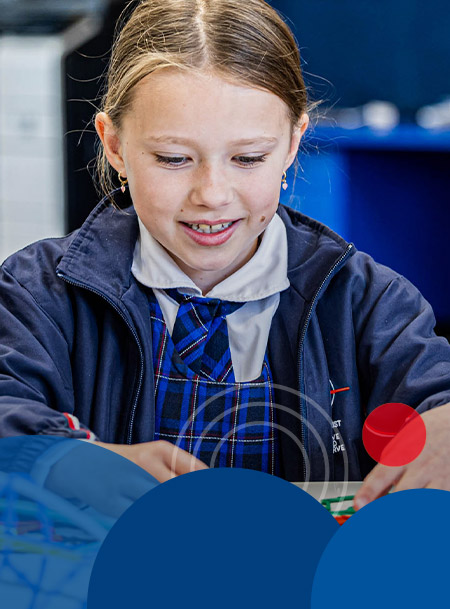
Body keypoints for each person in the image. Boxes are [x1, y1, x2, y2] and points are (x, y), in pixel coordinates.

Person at [0, 0, 449, 503]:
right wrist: (64, 459)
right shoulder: (36, 293)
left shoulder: (370, 305)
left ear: (292, 143)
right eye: (173, 158)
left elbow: (436, 394)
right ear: (114, 145)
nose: (211, 193)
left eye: (247, 158)